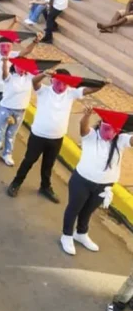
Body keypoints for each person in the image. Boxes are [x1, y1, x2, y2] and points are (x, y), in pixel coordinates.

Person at [6, 69, 103, 201]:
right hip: (38, 136)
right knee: (28, 161)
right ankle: (16, 183)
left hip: (57, 138)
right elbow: (34, 81)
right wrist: (44, 74)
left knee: (48, 165)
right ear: (52, 80)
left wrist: (103, 83)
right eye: (58, 82)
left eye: (64, 83)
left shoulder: (71, 94)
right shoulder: (44, 91)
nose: (61, 86)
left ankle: (45, 187)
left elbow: (90, 89)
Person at [61, 106, 132, 255]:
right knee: (74, 208)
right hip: (82, 180)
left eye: (114, 131)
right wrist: (86, 116)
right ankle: (66, 235)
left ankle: (81, 233)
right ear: (100, 126)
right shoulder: (91, 136)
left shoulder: (120, 140)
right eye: (107, 129)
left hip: (104, 185)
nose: (110, 133)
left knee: (88, 211)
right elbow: (83, 127)